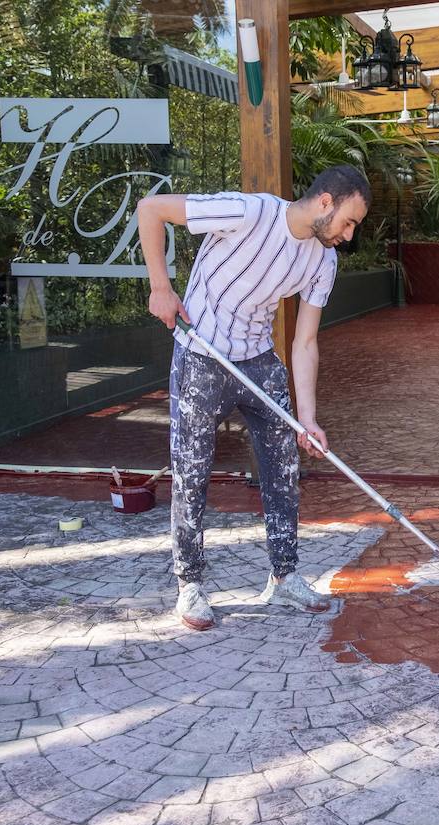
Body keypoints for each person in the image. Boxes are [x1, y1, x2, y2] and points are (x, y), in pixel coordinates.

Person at [136, 165, 371, 631]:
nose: (347, 235)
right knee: (191, 472)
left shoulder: (323, 260)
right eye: (348, 221)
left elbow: (305, 342)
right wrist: (160, 287)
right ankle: (190, 585)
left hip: (259, 360)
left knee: (284, 468)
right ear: (326, 201)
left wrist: (308, 418)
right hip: (201, 354)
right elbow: (151, 209)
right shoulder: (249, 211)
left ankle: (283, 578)